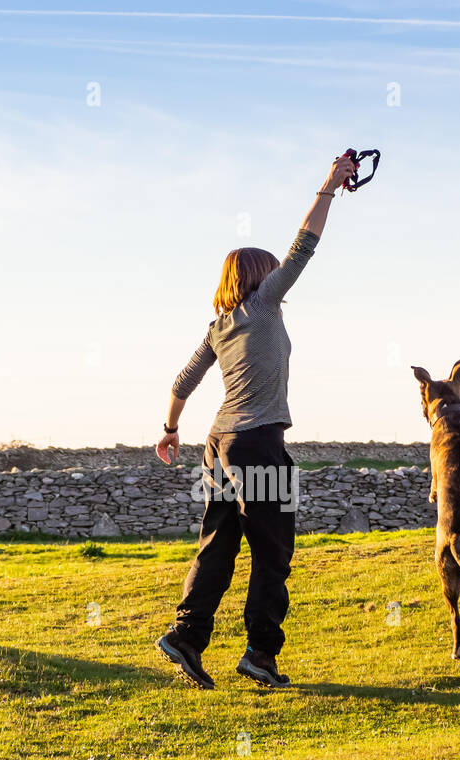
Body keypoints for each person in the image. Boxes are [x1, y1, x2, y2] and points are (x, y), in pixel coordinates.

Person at [154, 154, 358, 690]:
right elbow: (304, 246)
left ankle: (185, 637)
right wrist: (329, 185)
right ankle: (261, 656)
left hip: (217, 443)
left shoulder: (218, 325)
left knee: (217, 544)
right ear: (261, 278)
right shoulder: (263, 306)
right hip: (257, 446)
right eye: (273, 273)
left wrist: (171, 429)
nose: (280, 279)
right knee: (274, 552)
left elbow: (183, 380)